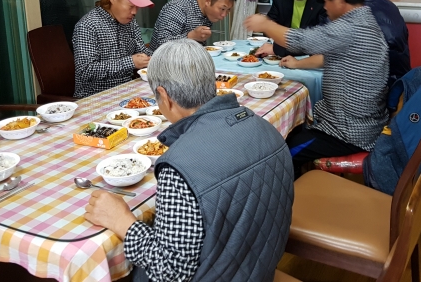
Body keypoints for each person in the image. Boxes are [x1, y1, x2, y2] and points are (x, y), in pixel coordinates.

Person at [84, 39, 294, 282]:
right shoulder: (267, 128)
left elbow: (171, 271)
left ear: (164, 95)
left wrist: (124, 222)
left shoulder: (180, 166)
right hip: (258, 269)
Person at [244, 0, 389, 179]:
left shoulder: (348, 27)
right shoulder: (365, 20)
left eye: (326, 0)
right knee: (294, 124)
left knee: (283, 150)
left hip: (348, 132)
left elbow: (299, 40)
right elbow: (328, 57)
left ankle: (294, 201)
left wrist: (264, 23)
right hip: (362, 119)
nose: (324, 6)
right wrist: (296, 65)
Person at [279, 0, 411, 86]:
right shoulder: (383, 4)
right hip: (401, 81)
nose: (324, 7)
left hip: (383, 90)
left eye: (325, 0)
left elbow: (313, 49)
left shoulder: (352, 23)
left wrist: (296, 63)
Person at [72, 0, 153, 98]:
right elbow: (85, 71)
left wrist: (155, 58)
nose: (134, 12)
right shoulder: (88, 25)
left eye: (137, 7)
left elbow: (141, 51)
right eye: (131, 6)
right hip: (95, 97)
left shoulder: (130, 22)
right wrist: (130, 62)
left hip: (126, 91)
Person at [255, 0, 327, 58]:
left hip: (308, 56)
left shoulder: (322, 1)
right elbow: (269, 26)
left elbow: (319, 40)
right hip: (281, 51)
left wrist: (276, 49)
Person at [149, 0, 236, 51]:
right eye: (222, 9)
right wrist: (190, 36)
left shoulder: (206, 12)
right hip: (165, 64)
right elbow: (162, 43)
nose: (224, 15)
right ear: (208, 1)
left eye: (228, 10)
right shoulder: (178, 8)